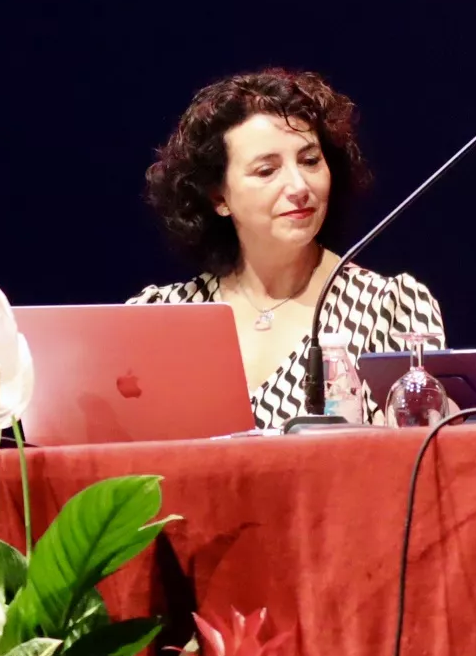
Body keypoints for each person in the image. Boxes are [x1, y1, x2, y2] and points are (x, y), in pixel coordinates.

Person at [133, 68, 443, 429]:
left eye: (311, 161)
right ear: (218, 197)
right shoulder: (160, 317)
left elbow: (422, 459)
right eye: (267, 170)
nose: (299, 186)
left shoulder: (391, 308)